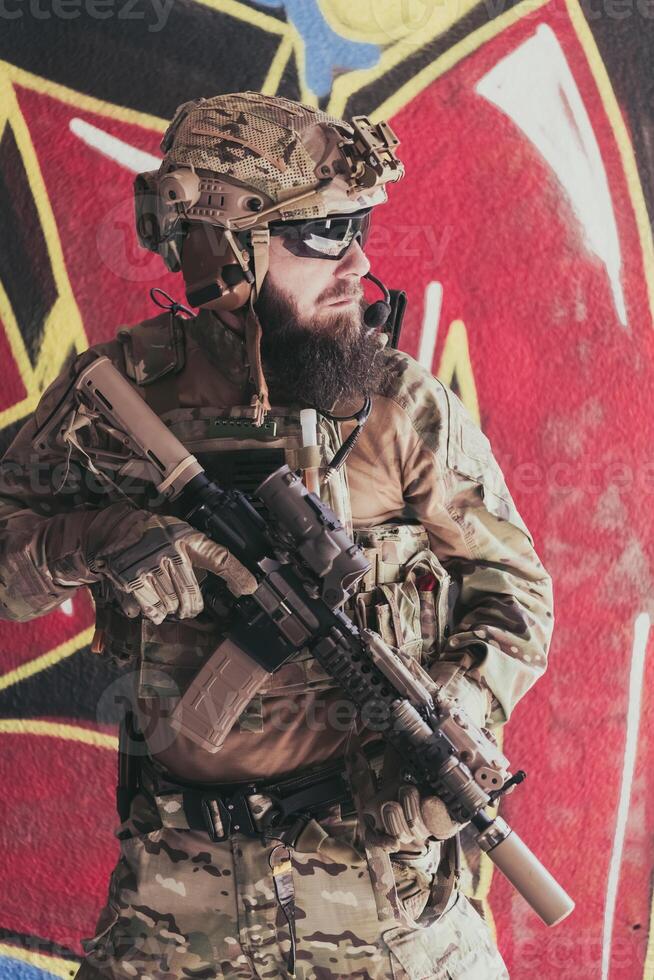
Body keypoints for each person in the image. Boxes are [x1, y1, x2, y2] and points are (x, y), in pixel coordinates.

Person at [0, 92, 554, 979]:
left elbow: (515, 586)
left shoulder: (400, 406)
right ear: (225, 251)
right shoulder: (118, 396)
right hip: (176, 908)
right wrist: (102, 537)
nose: (358, 262)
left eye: (358, 227)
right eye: (323, 233)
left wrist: (460, 707)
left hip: (387, 905)